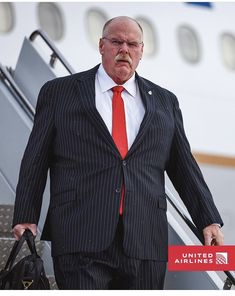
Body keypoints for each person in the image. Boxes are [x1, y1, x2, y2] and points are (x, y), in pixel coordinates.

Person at [12, 16, 224, 290]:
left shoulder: (164, 102)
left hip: (144, 240)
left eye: (132, 44)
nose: (124, 49)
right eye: (117, 42)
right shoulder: (60, 93)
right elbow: (35, 160)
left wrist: (208, 219)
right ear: (102, 46)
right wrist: (26, 215)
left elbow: (184, 167)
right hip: (80, 233)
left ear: (141, 51)